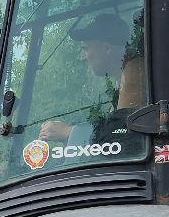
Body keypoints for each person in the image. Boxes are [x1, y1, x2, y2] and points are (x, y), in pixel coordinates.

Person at [38, 10, 146, 145]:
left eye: (86, 49)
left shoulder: (135, 72)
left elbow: (122, 132)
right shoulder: (121, 80)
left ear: (107, 48)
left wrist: (70, 132)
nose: (83, 57)